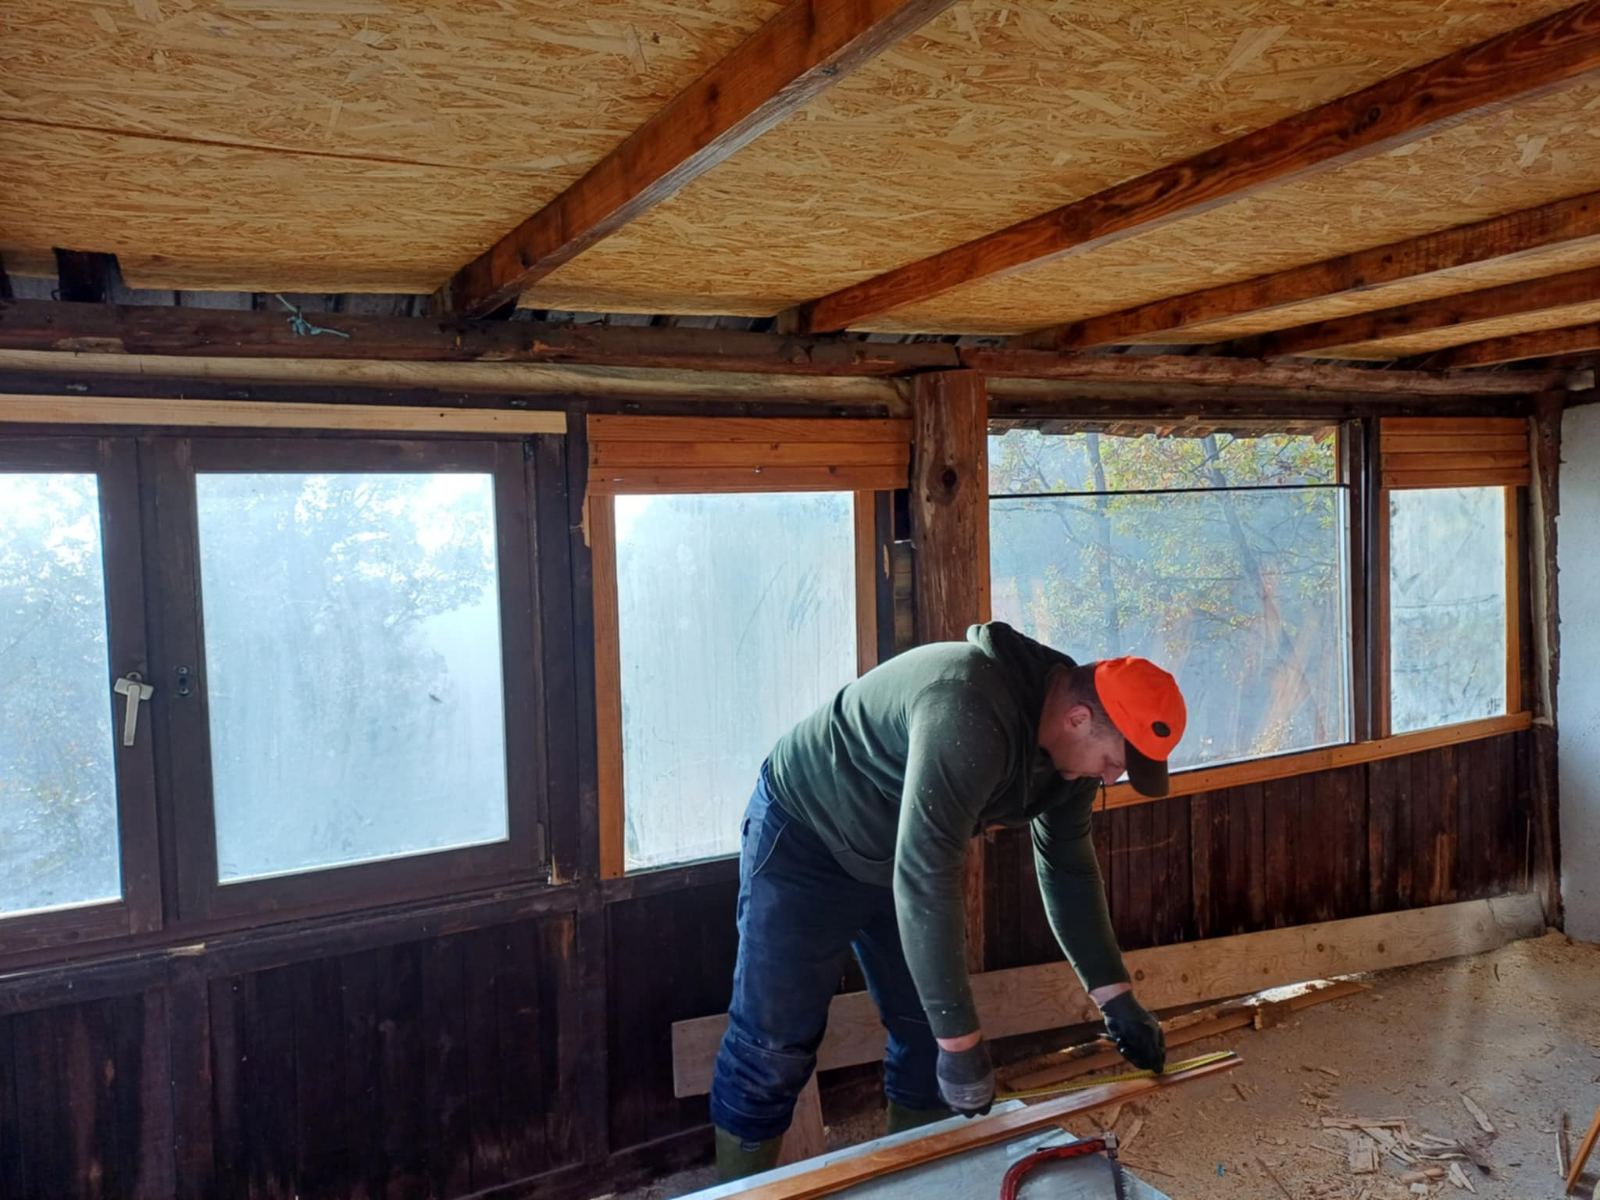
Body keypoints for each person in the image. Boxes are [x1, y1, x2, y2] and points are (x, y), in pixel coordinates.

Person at [710, 620, 1187, 1179]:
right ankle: (735, 1190)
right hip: (807, 836)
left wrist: (1116, 998)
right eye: (1113, 762)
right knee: (772, 1049)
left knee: (925, 1038)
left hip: (904, 854)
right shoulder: (967, 709)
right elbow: (927, 873)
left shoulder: (1070, 753)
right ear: (1078, 719)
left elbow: (1068, 867)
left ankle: (911, 1187)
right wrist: (962, 1043)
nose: (1109, 778)